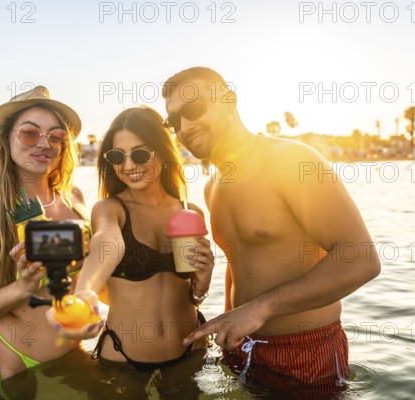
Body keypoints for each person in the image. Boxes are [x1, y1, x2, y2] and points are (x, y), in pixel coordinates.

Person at [161, 67, 381, 394]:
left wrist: (259, 309)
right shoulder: (213, 186)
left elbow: (362, 261)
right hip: (242, 347)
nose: (185, 126)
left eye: (193, 110)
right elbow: (239, 263)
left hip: (303, 351)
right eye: (174, 121)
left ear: (228, 101)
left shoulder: (290, 161)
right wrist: (228, 327)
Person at [48, 106, 215, 373]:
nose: (128, 166)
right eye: (117, 156)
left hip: (192, 351)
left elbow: (190, 296)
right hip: (123, 360)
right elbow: (107, 242)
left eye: (139, 154)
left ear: (162, 151)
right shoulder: (109, 209)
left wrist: (203, 283)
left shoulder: (190, 212)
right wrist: (85, 293)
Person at [0, 86, 91, 390]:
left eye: (56, 137)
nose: (44, 144)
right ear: (7, 139)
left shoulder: (74, 199)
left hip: (72, 358)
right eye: (29, 133)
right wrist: (22, 287)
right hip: (9, 369)